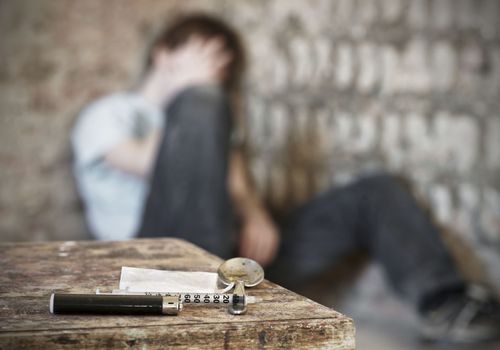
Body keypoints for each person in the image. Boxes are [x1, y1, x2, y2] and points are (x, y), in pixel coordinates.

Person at [72, 13, 500, 344]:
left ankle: (446, 305)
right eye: (203, 58)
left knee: (376, 192)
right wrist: (194, 98)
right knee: (202, 104)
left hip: (235, 259)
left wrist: (256, 213)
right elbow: (152, 164)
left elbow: (232, 185)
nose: (214, 74)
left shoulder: (211, 115)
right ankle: (205, 316)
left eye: (221, 68)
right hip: (159, 265)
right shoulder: (111, 113)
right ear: (163, 54)